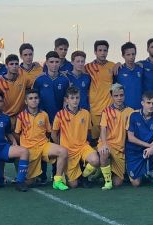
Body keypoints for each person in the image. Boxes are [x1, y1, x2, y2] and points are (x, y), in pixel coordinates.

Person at [15, 89, 69, 190]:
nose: (34, 100)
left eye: (36, 98)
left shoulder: (44, 114)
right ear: (26, 101)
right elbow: (17, 134)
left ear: (39, 100)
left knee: (63, 151)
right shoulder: (21, 116)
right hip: (29, 149)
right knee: (29, 182)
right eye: (30, 98)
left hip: (43, 145)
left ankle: (57, 180)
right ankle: (26, 177)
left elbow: (48, 131)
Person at [52, 86, 99, 188]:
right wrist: (60, 148)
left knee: (95, 160)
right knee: (73, 185)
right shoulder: (60, 115)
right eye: (72, 98)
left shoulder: (86, 113)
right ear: (67, 99)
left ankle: (84, 177)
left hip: (83, 147)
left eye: (77, 98)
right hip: (68, 151)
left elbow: (89, 131)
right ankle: (67, 174)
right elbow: (53, 134)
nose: (75, 100)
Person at [33, 51, 69, 182]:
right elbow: (33, 98)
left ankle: (56, 174)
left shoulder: (64, 80)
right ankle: (41, 174)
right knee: (41, 145)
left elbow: (67, 99)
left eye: (57, 62)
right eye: (51, 62)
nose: (54, 65)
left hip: (58, 119)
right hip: (42, 119)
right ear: (46, 63)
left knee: (57, 145)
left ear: (60, 63)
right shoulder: (39, 80)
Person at [125, 91, 153, 190]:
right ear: (142, 103)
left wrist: (152, 147)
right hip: (134, 151)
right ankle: (143, 171)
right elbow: (130, 138)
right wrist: (148, 146)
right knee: (136, 184)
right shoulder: (133, 115)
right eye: (148, 103)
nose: (151, 106)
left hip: (150, 150)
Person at [97, 83, 133, 190]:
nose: (119, 98)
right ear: (112, 97)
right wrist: (104, 144)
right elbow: (103, 129)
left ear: (124, 95)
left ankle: (101, 171)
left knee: (118, 183)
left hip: (120, 148)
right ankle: (107, 181)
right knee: (104, 152)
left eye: (121, 95)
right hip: (107, 144)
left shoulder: (130, 111)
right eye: (116, 96)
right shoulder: (106, 111)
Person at [0, 54, 32, 131]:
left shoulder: (24, 78)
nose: (14, 66)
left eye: (16, 64)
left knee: (21, 141)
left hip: (20, 117)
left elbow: (34, 85)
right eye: (11, 64)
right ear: (6, 66)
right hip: (4, 116)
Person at [84, 40, 115, 145]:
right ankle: (94, 161)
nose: (102, 53)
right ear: (95, 52)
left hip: (109, 109)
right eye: (100, 50)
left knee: (109, 139)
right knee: (95, 141)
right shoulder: (88, 67)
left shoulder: (113, 66)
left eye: (105, 50)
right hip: (95, 109)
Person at [114, 42, 143, 110]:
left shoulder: (141, 69)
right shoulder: (118, 70)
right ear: (123, 55)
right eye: (128, 54)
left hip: (139, 109)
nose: (131, 57)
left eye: (133, 54)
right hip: (124, 110)